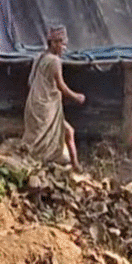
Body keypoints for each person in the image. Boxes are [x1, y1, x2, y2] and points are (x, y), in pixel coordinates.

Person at [21, 25, 86, 171]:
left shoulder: (41, 57)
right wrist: (77, 97)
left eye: (65, 44)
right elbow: (61, 86)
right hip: (45, 107)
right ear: (54, 43)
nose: (64, 48)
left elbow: (32, 82)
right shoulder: (54, 61)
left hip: (37, 103)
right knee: (45, 138)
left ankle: (75, 165)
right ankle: (67, 164)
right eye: (62, 44)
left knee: (67, 131)